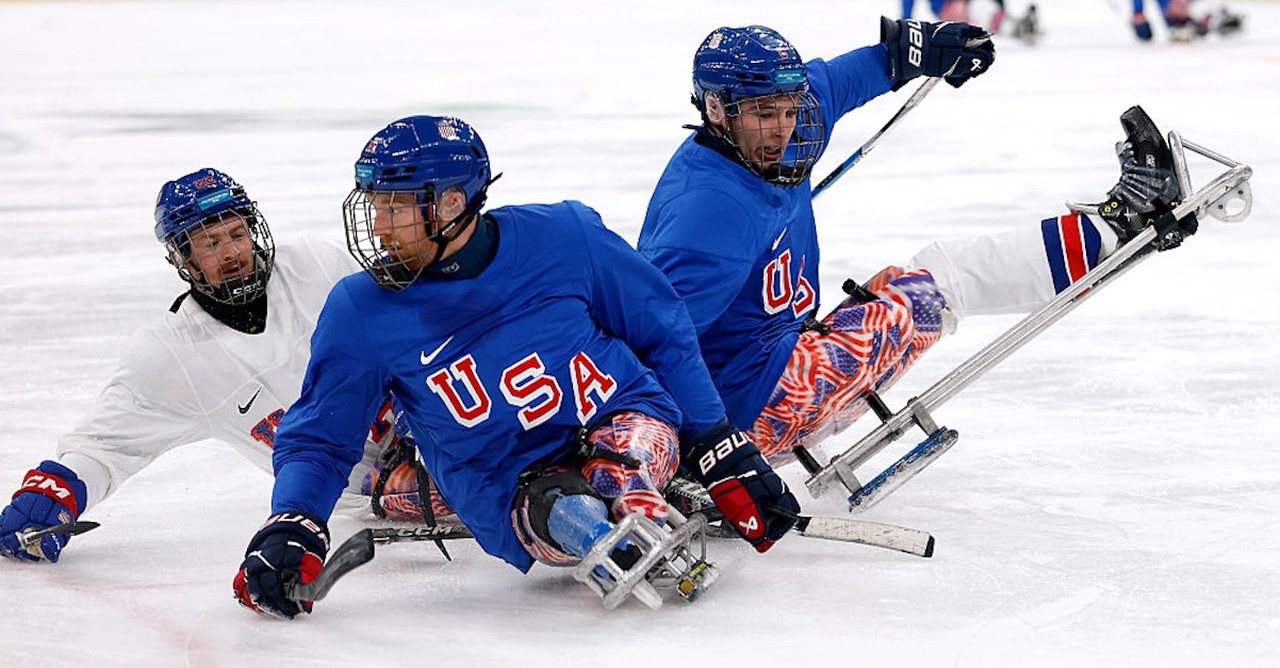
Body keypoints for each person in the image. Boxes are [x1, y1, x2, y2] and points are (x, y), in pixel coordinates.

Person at [231, 115, 800, 619]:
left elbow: (663, 330)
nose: (380, 227)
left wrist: (717, 441)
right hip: (512, 489)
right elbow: (320, 438)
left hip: (627, 419)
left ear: (452, 205)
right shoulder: (361, 309)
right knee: (566, 506)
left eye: (397, 208)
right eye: (375, 207)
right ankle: (619, 519)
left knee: (620, 468)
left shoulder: (566, 236)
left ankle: (644, 499)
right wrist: (295, 520)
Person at [637, 25, 1197, 470]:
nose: (784, 128)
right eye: (765, 113)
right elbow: (653, 342)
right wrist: (702, 458)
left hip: (778, 354)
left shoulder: (778, 129)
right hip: (753, 412)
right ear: (717, 111)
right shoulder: (708, 213)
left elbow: (836, 80)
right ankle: (1122, 222)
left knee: (906, 282)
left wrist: (921, 48)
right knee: (939, 282)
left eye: (789, 107)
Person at [0, 168, 444, 564]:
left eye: (237, 233)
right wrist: (52, 495)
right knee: (424, 486)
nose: (232, 252)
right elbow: (105, 446)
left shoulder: (315, 266)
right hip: (372, 486)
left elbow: (413, 321)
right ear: (182, 258)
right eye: (210, 244)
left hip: (435, 422)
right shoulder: (173, 357)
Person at [1129, 0, 1243, 41]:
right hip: (1173, 16)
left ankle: (1212, 18)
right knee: (1143, 34)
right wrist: (1138, 13)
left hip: (1190, 12)